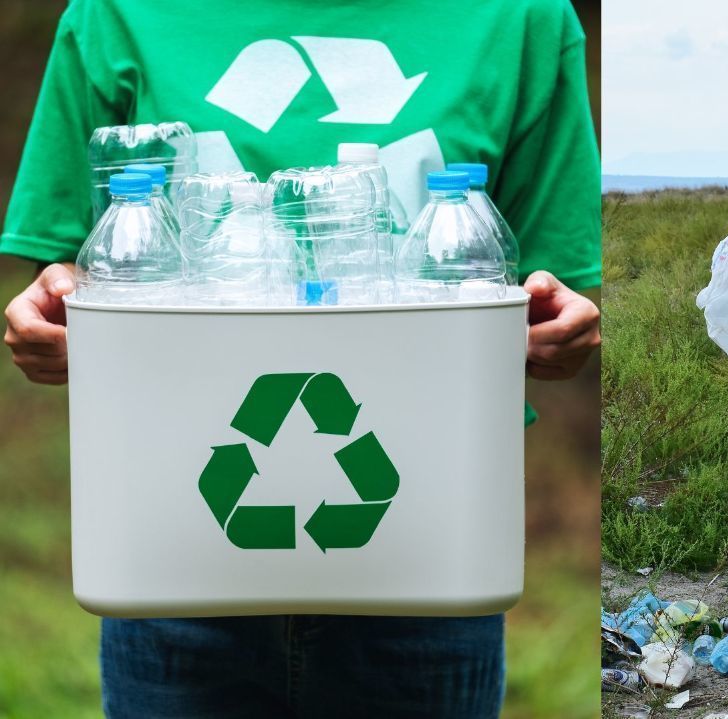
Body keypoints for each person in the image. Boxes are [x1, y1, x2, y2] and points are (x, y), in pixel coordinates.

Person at [0, 0, 600, 716]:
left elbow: (534, 281)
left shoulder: (520, 17)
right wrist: (60, 311)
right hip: (169, 555)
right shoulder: (117, 12)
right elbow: (82, 264)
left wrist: (555, 330)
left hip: (431, 555)